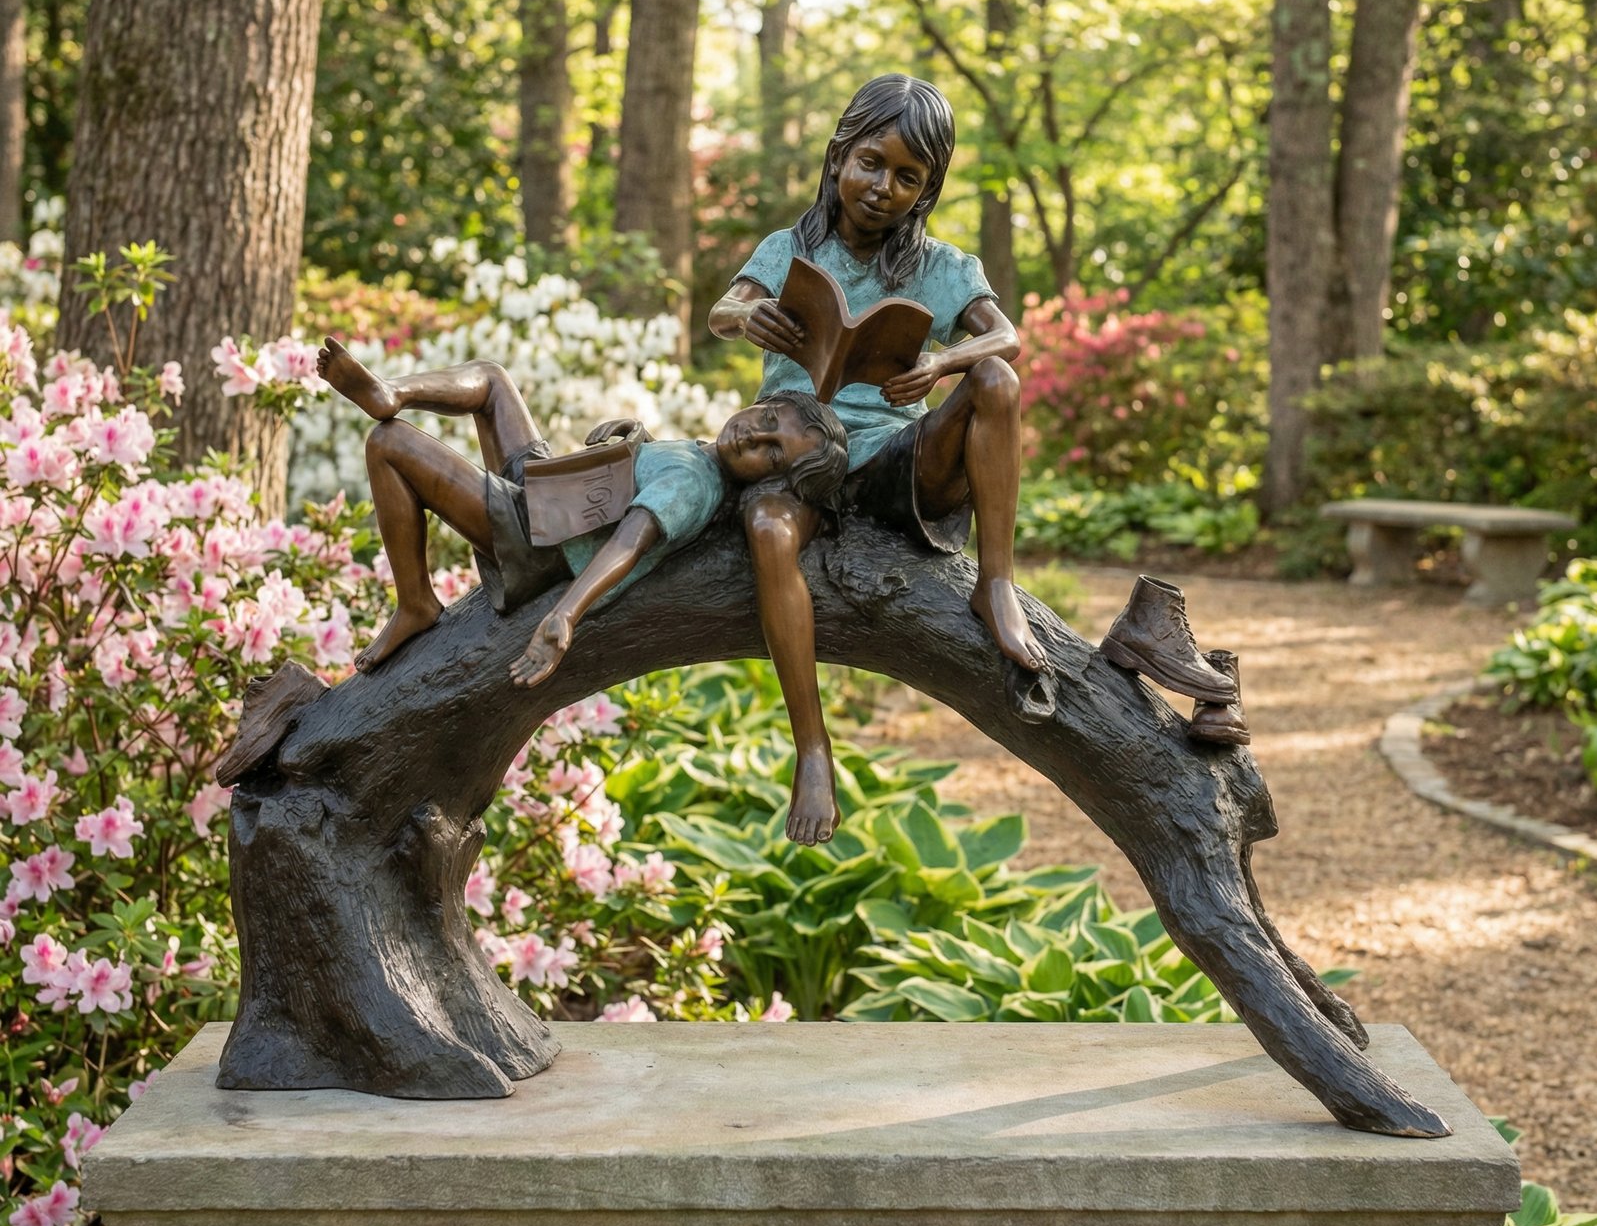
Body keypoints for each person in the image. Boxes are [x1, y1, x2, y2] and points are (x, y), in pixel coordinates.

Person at [709, 74, 1051, 846]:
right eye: (871, 163)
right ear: (838, 157)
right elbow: (720, 309)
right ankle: (813, 749)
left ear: (926, 191)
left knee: (995, 377)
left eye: (908, 178)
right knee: (765, 530)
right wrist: (747, 314)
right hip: (799, 446)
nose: (883, 187)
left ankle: (995, 584)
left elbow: (1008, 338)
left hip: (897, 460)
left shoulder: (942, 264)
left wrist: (943, 363)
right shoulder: (789, 248)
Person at [315, 338, 848, 693]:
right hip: (553, 490)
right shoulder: (701, 459)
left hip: (534, 536)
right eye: (769, 417)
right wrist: (639, 441)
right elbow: (655, 477)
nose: (755, 434)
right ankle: (394, 390)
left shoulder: (695, 484)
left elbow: (631, 541)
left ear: (770, 484)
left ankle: (415, 602)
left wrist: (565, 615)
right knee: (492, 380)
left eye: (771, 453)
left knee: (390, 443)